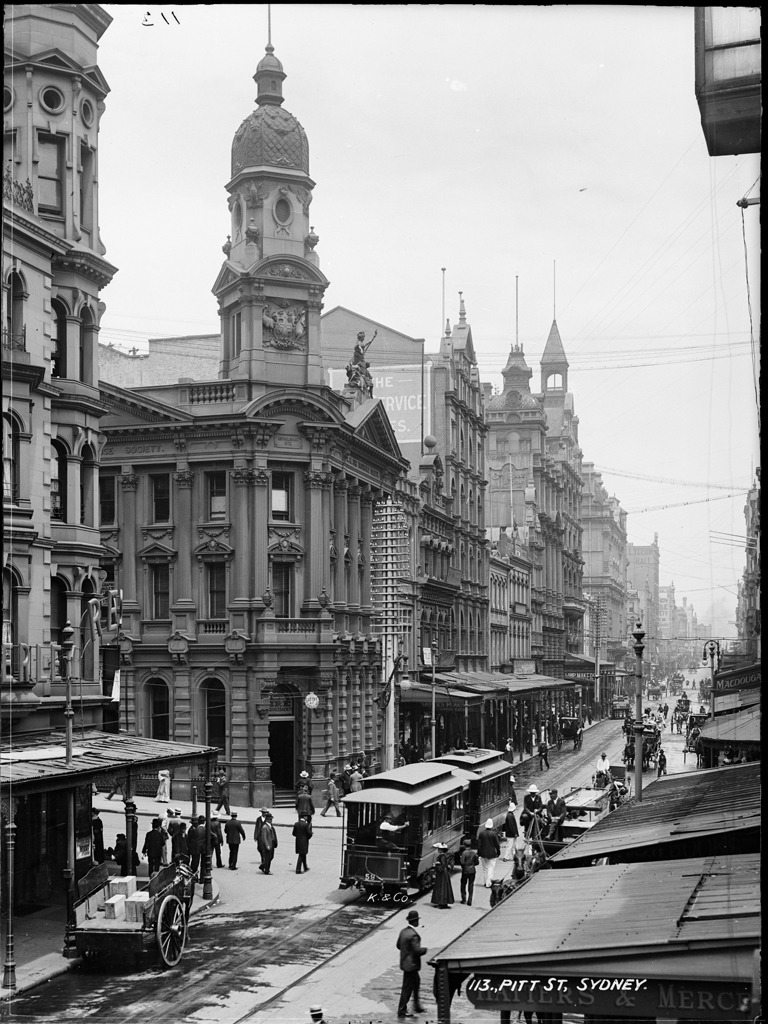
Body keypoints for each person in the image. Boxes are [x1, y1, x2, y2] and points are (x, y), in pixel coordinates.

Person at [396, 909, 427, 1020]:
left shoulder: (403, 932)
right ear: (415, 922)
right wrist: (425, 950)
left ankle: (417, 1006)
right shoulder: (414, 935)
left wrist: (406, 951)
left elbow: (399, 945)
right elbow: (417, 951)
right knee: (407, 988)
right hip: (411, 966)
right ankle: (402, 1010)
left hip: (405, 964)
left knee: (416, 983)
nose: (418, 922)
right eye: (417, 920)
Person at [476, 817, 501, 888]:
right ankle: (489, 883)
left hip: (483, 853)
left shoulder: (481, 833)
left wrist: (479, 853)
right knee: (491, 868)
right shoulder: (493, 834)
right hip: (492, 853)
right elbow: (497, 844)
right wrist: (498, 851)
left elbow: (479, 845)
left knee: (485, 868)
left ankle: (485, 882)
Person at [431, 842, 455, 909]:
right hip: (444, 873)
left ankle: (442, 903)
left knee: (441, 886)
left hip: (442, 874)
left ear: (441, 850)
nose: (438, 850)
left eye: (439, 849)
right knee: (444, 887)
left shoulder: (442, 856)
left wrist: (436, 865)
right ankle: (442, 902)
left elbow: (443, 865)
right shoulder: (443, 856)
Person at [459, 838, 479, 905]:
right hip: (472, 870)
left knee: (463, 884)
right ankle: (470, 900)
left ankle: (463, 899)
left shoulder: (464, 853)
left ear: (464, 845)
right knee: (471, 885)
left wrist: (464, 865)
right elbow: (477, 862)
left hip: (465, 871)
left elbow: (462, 862)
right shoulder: (473, 853)